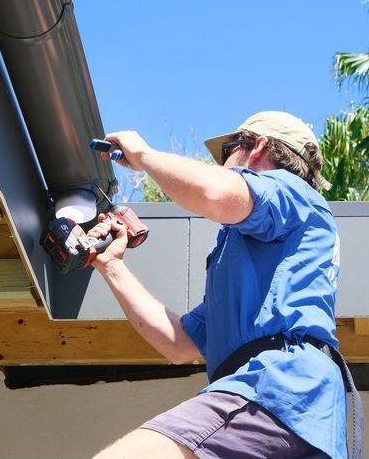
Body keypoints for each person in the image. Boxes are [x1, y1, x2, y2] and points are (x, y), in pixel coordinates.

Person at [90, 111, 354, 459]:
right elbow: (179, 345)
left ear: (257, 147)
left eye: (228, 149)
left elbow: (215, 192)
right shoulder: (251, 259)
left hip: (273, 388)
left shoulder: (291, 191)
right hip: (300, 412)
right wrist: (110, 266)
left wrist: (144, 155)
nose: (223, 162)